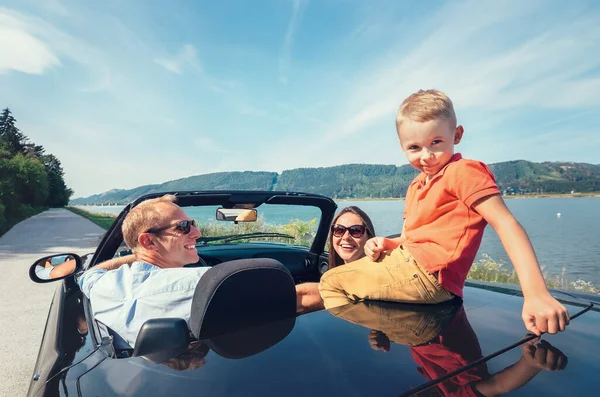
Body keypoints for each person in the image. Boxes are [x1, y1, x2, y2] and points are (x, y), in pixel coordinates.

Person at [319, 89, 569, 336]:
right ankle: (398, 327)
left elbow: (506, 224)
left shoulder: (463, 171)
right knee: (344, 277)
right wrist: (387, 242)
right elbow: (408, 238)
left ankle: (382, 330)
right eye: (414, 147)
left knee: (330, 282)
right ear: (402, 146)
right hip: (409, 264)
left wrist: (537, 294)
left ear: (457, 135)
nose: (426, 156)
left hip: (427, 276)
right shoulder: (416, 186)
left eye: (436, 142)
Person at [333, 300, 568, 396]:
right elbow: (497, 385)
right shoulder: (454, 391)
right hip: (444, 312)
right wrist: (530, 365)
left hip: (424, 313)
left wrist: (388, 335)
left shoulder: (425, 380)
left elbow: (423, 345)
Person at [77, 194, 210, 348]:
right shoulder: (202, 283)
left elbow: (88, 275)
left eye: (192, 224)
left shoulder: (105, 285)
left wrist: (139, 255)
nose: (197, 233)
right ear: (149, 241)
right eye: (183, 226)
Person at [296, 206, 376, 313]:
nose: (346, 237)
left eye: (356, 231)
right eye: (339, 230)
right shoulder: (334, 276)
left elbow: (310, 295)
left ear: (369, 236)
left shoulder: (377, 275)